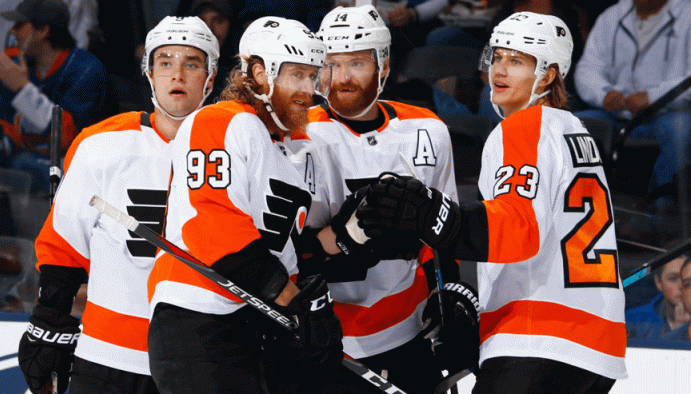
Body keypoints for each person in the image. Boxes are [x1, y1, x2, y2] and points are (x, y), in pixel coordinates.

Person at [358, 12, 628, 393]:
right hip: (598, 347)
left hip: (539, 339)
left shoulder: (522, 127)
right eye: (498, 57)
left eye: (517, 61)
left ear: (548, 74)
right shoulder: (575, 130)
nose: (500, 70)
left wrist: (433, 216)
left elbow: (518, 230)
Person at [17, 16, 219, 394]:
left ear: (210, 77)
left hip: (199, 362)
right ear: (149, 72)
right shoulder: (101, 144)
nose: (177, 74)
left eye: (192, 63)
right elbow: (64, 246)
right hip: (106, 357)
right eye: (165, 62)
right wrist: (49, 321)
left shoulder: (239, 148)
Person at [146, 16, 344, 394]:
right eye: (297, 75)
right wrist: (295, 303)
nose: (308, 89)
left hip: (259, 324)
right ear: (259, 73)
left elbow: (291, 247)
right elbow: (212, 226)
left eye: (312, 76)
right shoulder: (220, 122)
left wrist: (353, 231)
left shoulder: (301, 147)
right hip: (199, 321)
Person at [295, 5, 480, 393]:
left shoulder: (426, 130)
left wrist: (449, 295)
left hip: (406, 332)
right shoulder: (295, 135)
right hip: (321, 335)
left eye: (357, 63)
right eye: (332, 64)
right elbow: (283, 251)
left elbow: (442, 232)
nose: (341, 78)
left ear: (384, 64)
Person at [574, 0, 691, 208]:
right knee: (571, 126)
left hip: (671, 113)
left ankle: (662, 218)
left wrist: (652, 97)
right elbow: (587, 69)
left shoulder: (687, 13)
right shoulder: (612, 16)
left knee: (681, 129)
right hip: (618, 114)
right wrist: (604, 93)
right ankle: (584, 210)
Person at [0, 0, 107, 193]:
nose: (12, 32)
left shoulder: (86, 69)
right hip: (32, 164)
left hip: (82, 176)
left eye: (20, 25)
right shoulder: (24, 65)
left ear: (43, 30)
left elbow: (65, 138)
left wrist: (22, 89)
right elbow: (6, 122)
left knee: (25, 164)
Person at [626, 254, 691, 339]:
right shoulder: (633, 321)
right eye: (673, 278)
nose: (681, 285)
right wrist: (680, 329)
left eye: (687, 281)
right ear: (658, 283)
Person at [188, 0, 237, 104]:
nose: (210, 29)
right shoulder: (181, 69)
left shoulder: (244, 70)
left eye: (218, 20)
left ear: (232, 23)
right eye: (202, 22)